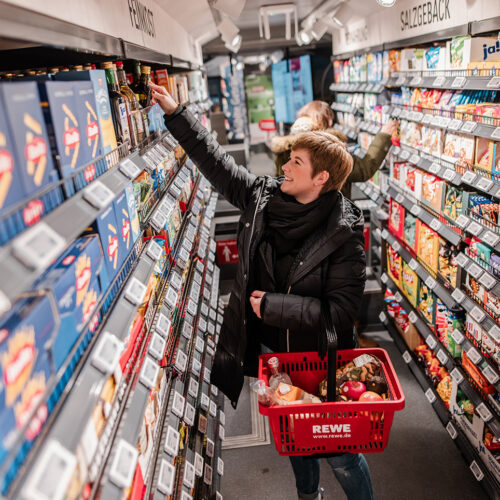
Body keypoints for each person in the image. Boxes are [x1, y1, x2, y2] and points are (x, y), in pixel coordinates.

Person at [150, 82, 373, 500]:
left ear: (321, 178)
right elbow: (217, 166)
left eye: (297, 162)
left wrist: (274, 306)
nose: (285, 166)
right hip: (276, 354)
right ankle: (309, 496)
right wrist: (176, 113)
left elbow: (340, 313)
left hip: (323, 358)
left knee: (341, 452)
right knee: (295, 438)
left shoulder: (346, 235)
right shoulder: (263, 198)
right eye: (289, 157)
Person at [272, 100, 398, 199]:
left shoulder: (286, 149)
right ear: (328, 121)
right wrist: (384, 136)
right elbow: (363, 170)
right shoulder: (329, 151)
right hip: (330, 220)